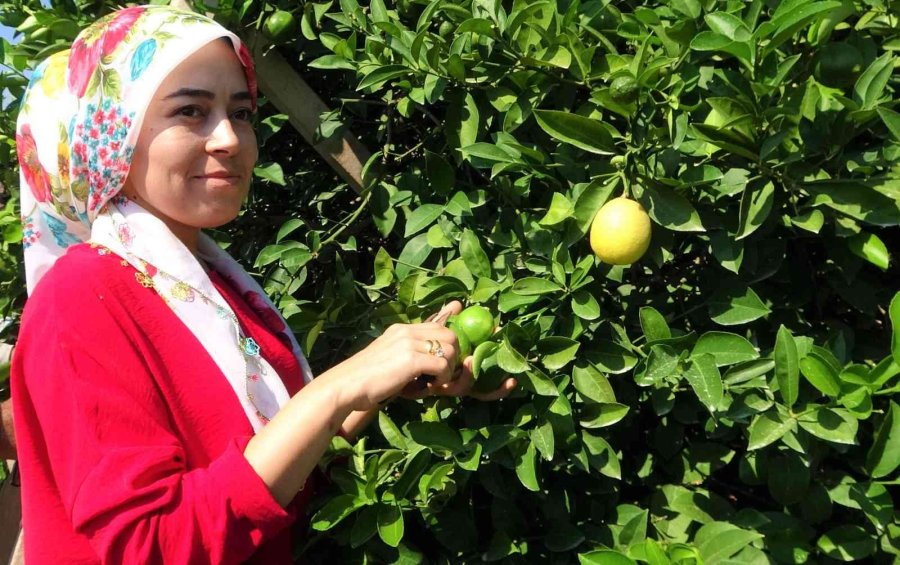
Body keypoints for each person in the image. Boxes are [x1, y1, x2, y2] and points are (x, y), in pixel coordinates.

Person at [10, 6, 515, 564]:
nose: (229, 137)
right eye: (191, 111)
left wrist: (395, 374)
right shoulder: (81, 297)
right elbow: (149, 546)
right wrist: (334, 390)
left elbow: (272, 469)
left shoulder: (209, 285)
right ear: (112, 136)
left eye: (241, 111)